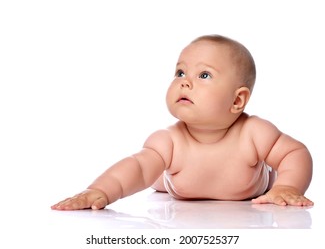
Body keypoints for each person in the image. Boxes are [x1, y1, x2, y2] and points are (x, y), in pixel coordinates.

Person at [51, 34, 313, 211]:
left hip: (254, 185)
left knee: (274, 172)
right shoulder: (169, 140)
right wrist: (100, 191)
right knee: (152, 169)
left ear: (237, 101)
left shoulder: (254, 132)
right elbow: (138, 168)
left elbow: (294, 153)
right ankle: (161, 177)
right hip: (171, 181)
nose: (185, 81)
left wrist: (287, 187)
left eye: (204, 74)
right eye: (180, 72)